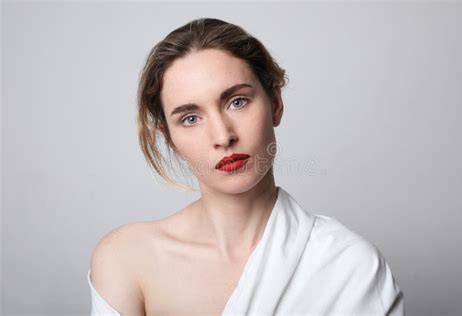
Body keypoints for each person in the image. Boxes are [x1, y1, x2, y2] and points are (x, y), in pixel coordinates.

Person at [87, 18, 405, 315]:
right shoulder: (127, 259)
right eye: (190, 118)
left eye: (237, 101)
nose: (223, 136)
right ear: (170, 140)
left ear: (276, 103)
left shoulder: (349, 265)